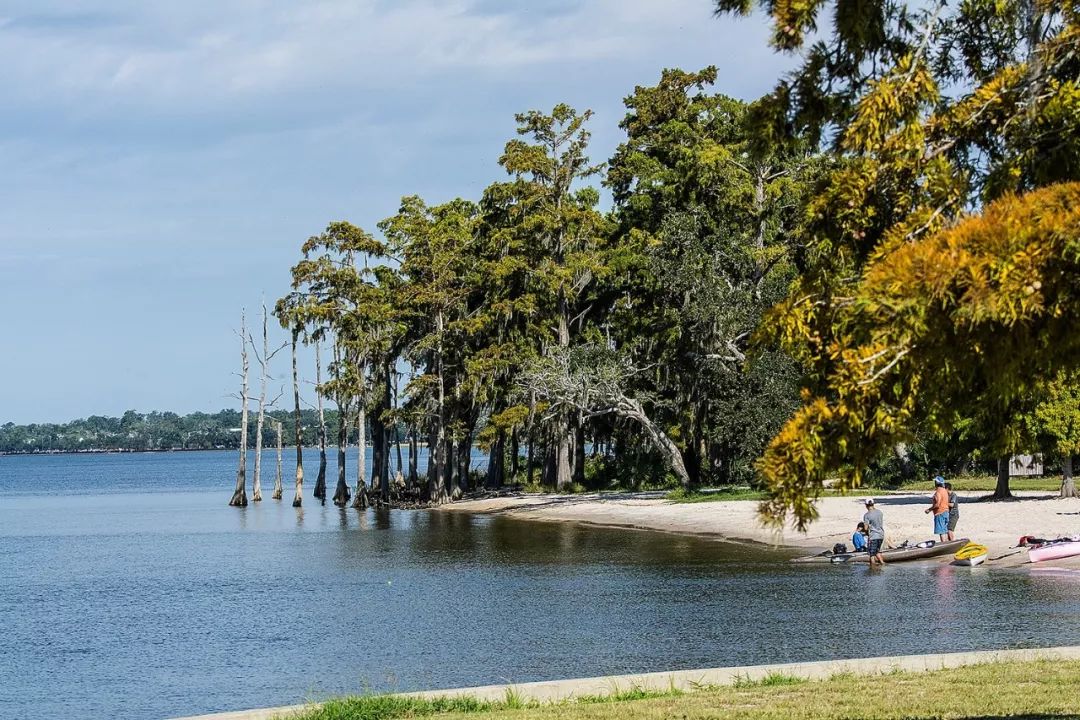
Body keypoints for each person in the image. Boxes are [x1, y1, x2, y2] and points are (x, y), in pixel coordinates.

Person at [925, 475, 950, 542]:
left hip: (940, 513)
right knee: (945, 530)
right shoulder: (945, 491)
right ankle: (946, 543)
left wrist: (929, 509)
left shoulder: (938, 492)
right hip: (946, 512)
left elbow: (937, 504)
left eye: (935, 482)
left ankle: (943, 544)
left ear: (937, 483)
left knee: (941, 531)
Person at [862, 499, 885, 565]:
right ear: (873, 504)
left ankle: (873, 570)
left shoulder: (867, 515)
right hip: (881, 535)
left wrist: (865, 532)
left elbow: (866, 528)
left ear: (866, 505)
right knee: (877, 552)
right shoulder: (880, 512)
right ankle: (883, 564)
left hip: (873, 536)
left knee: (872, 555)